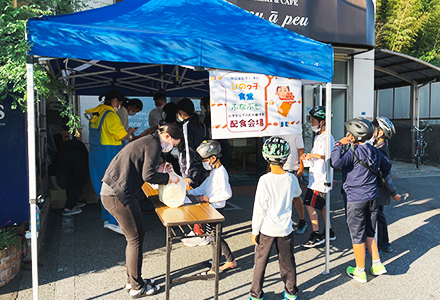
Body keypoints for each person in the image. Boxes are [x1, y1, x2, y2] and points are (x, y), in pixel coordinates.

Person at [101, 123, 182, 298]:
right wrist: (169, 178)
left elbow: (145, 169)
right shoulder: (153, 144)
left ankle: (133, 281)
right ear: (167, 137)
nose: (171, 148)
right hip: (118, 194)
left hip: (115, 191)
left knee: (136, 236)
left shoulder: (149, 141)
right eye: (174, 144)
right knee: (135, 238)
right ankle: (136, 287)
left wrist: (161, 170)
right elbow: (148, 176)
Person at [331, 117, 391, 283]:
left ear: (353, 136)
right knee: (370, 232)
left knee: (357, 235)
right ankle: (377, 265)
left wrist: (338, 144)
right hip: (372, 197)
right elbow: (387, 166)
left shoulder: (353, 152)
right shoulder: (375, 151)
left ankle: (360, 271)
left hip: (355, 199)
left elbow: (335, 162)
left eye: (348, 134)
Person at [250, 136, 301, 300]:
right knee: (287, 262)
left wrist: (254, 231)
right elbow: (297, 196)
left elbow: (259, 208)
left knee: (260, 262)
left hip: (266, 229)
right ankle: (291, 293)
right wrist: (302, 218)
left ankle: (256, 294)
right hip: (285, 228)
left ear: (265, 157)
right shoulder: (291, 179)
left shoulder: (264, 180)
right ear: (286, 158)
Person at [86, 89, 136, 235]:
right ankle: (114, 221)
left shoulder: (96, 112)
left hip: (96, 155)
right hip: (109, 154)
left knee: (102, 188)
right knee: (114, 187)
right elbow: (122, 136)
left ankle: (106, 217)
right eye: (120, 103)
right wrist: (131, 132)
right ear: (114, 101)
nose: (119, 106)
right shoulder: (110, 115)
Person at [186, 140, 237, 274]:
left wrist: (210, 199)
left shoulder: (221, 172)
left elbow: (227, 193)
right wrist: (188, 192)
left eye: (204, 160)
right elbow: (204, 187)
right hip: (211, 209)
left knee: (215, 238)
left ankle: (215, 268)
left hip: (216, 210)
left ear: (213, 158)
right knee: (215, 237)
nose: (204, 162)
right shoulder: (214, 171)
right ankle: (226, 260)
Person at [301, 106, 336, 248]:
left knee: (309, 205)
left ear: (322, 122)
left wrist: (312, 155)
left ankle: (316, 235)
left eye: (314, 120)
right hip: (317, 177)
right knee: (323, 207)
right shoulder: (320, 137)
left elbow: (330, 156)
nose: (312, 123)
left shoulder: (328, 137)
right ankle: (329, 231)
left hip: (320, 180)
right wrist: (308, 158)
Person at [372, 116, 402, 253]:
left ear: (380, 133)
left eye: (374, 128)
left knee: (377, 217)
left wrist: (393, 192)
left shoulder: (381, 150)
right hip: (379, 188)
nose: (371, 130)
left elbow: (386, 175)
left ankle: (379, 246)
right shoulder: (378, 146)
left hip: (380, 189)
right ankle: (384, 243)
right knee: (379, 215)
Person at [49, 131, 89, 216]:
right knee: (79, 182)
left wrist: (56, 186)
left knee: (70, 178)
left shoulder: (60, 152)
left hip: (68, 158)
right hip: (80, 156)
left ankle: (73, 202)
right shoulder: (77, 145)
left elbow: (52, 171)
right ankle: (68, 208)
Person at [279, 134, 307, 235]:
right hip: (278, 169)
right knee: (281, 197)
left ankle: (302, 221)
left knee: (296, 197)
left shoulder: (295, 132)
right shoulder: (275, 130)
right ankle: (285, 221)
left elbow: (301, 151)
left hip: (292, 169)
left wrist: (301, 167)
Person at [176, 97, 206, 188]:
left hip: (190, 168)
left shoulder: (187, 126)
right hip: (200, 165)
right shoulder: (200, 124)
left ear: (181, 112)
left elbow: (188, 150)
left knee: (190, 196)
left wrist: (188, 174)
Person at [200, 96, 231, 170]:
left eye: (202, 105)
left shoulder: (212, 117)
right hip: (218, 145)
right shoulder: (208, 117)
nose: (201, 107)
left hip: (218, 146)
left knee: (221, 168)